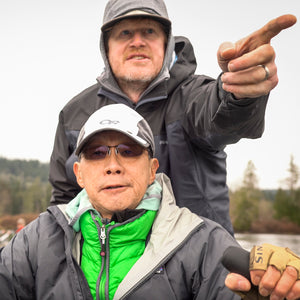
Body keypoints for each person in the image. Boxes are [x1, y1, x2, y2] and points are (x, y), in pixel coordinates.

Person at [49, 0, 297, 235]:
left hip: (201, 271)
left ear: (167, 44)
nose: (137, 42)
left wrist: (240, 92)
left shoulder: (194, 97)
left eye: (149, 31)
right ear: (106, 46)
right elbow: (63, 204)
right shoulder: (73, 114)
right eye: (124, 33)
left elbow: (224, 116)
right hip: (104, 274)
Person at [1, 104, 300, 299]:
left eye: (128, 150)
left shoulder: (204, 245)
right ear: (79, 174)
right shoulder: (35, 242)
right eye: (97, 152)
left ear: (152, 170)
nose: (113, 165)